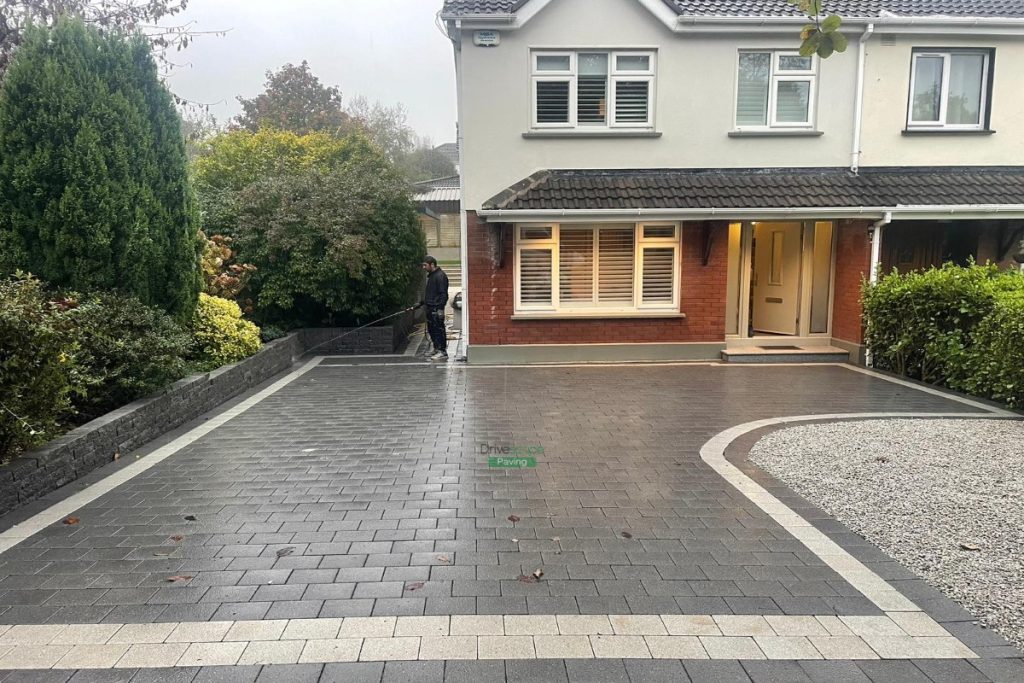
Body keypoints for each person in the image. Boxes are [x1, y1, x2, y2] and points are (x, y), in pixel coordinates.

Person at [419, 255, 449, 361]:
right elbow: (431, 293)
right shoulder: (432, 276)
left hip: (436, 309)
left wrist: (441, 308)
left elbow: (443, 294)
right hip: (430, 307)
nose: (424, 267)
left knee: (439, 330)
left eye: (425, 265)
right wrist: (423, 303)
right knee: (432, 330)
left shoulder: (440, 276)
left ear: (432, 265)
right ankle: (436, 349)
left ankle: (442, 351)